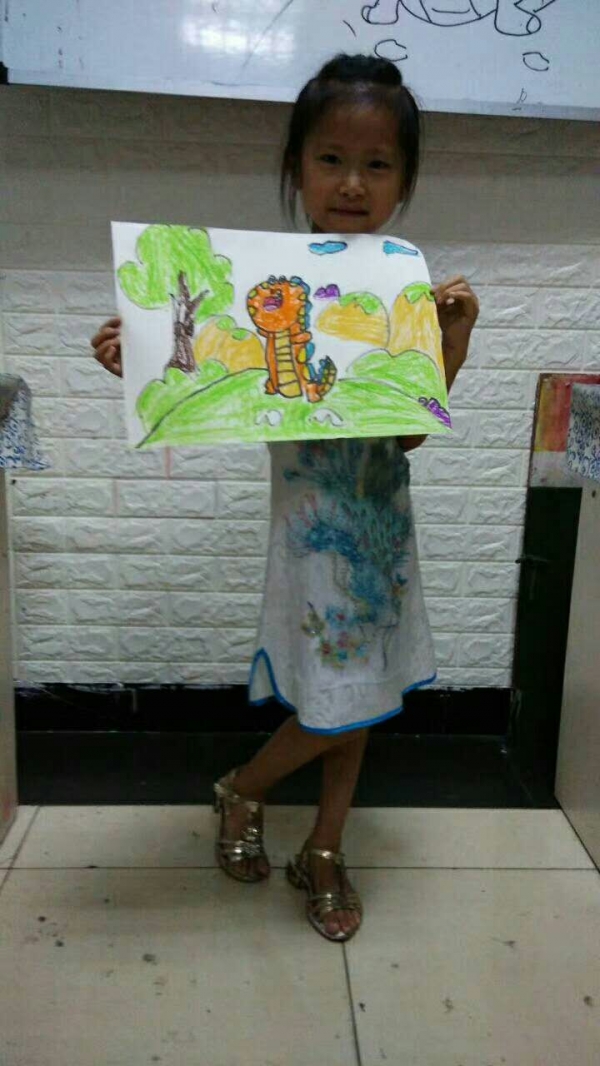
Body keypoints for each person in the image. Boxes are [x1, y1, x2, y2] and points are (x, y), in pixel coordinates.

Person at [91, 53, 479, 943]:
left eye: (377, 164)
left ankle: (325, 845)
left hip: (382, 517)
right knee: (337, 690)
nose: (353, 183)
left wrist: (452, 342)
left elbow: (410, 435)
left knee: (363, 686)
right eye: (331, 159)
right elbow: (209, 376)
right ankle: (245, 789)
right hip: (310, 527)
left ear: (405, 180)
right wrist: (139, 357)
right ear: (297, 167)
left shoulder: (402, 288)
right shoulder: (254, 280)